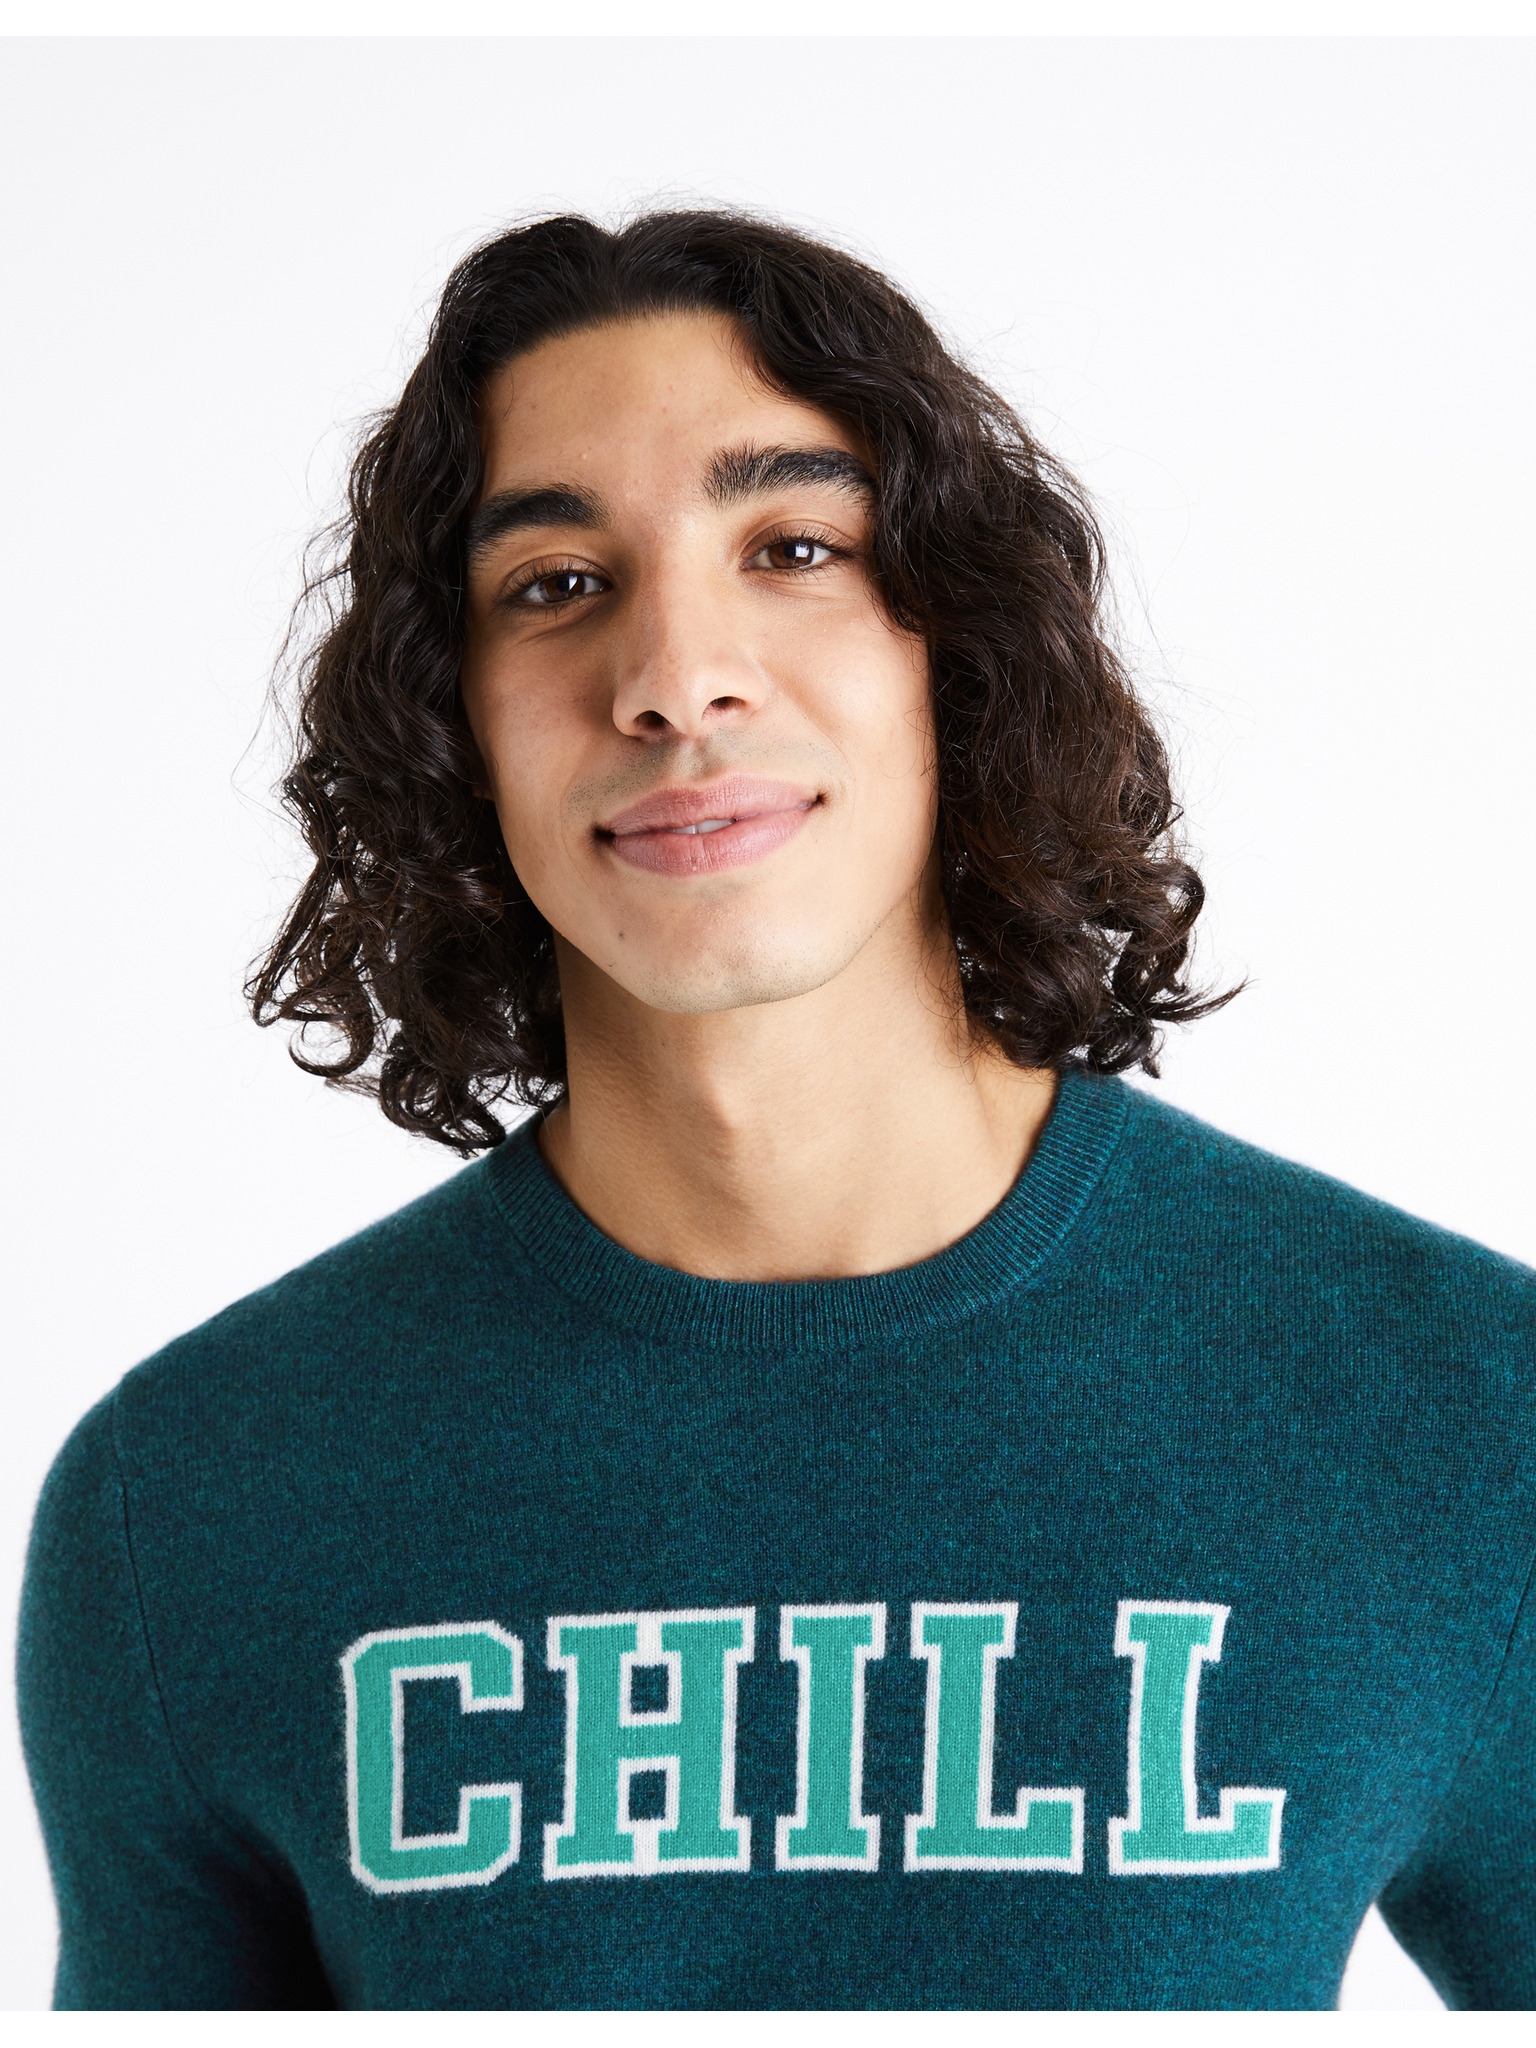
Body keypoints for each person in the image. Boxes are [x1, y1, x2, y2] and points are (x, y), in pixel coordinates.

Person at [18, 209, 1534, 2013]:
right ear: (454, 718)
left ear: (954, 649)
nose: (676, 679)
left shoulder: (1461, 1417)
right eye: (555, 583)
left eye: (795, 548)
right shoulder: (194, 1503)